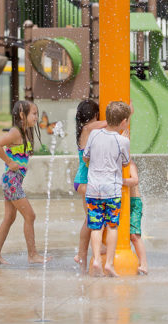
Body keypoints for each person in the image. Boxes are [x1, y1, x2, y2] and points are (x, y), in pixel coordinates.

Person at [0, 100, 50, 265]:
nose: (37, 117)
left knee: (9, 218)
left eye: (37, 113)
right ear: (22, 115)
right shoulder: (16, 133)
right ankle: (32, 255)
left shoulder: (25, 132)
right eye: (34, 114)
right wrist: (9, 162)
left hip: (14, 181)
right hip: (12, 180)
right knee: (30, 215)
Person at [84, 101, 132, 277]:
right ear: (123, 122)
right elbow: (126, 162)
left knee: (96, 227)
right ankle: (109, 264)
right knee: (112, 226)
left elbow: (86, 157)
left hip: (93, 188)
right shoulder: (122, 141)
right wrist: (127, 142)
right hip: (111, 190)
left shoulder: (94, 134)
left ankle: (96, 259)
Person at [72, 99, 107, 272]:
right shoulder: (87, 129)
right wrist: (125, 114)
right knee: (92, 219)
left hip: (84, 181)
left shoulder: (85, 130)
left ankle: (82, 257)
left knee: (89, 219)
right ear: (94, 115)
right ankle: (86, 251)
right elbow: (111, 123)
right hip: (84, 182)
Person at [124, 159, 148, 275]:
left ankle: (144, 264)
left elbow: (135, 180)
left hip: (134, 203)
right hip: (121, 201)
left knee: (134, 235)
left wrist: (119, 181)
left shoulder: (130, 163)